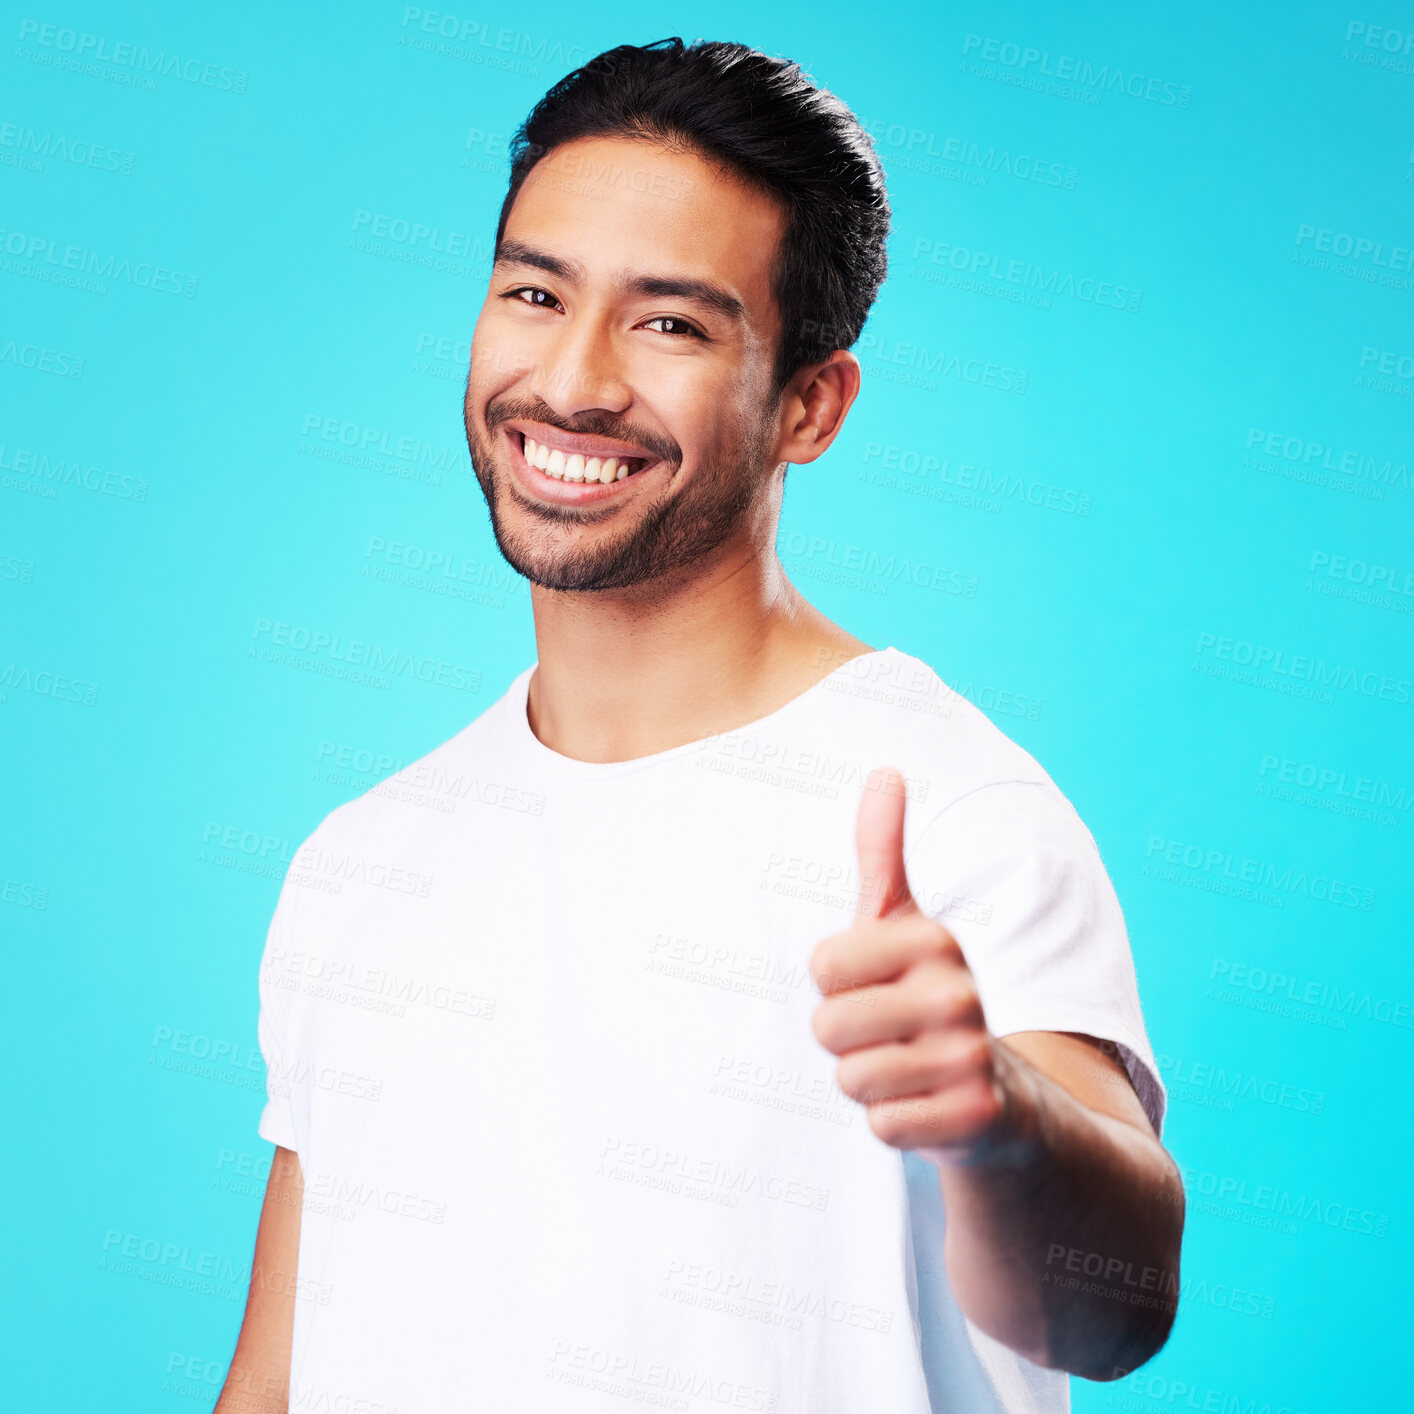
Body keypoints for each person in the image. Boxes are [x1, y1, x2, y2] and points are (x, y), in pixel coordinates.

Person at [217, 38, 1183, 1414]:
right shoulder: (361, 856)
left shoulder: (953, 814)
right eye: (535, 292)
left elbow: (1116, 1307)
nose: (574, 380)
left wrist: (995, 1119)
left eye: (669, 322)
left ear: (808, 404)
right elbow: (277, 1374)